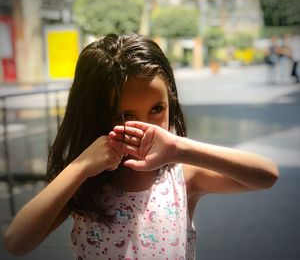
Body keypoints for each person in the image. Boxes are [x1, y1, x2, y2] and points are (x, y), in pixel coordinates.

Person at [4, 34, 279, 259]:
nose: (148, 127)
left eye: (157, 109)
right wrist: (80, 167)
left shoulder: (182, 175)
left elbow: (266, 175)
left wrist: (180, 148)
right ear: (96, 116)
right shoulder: (85, 181)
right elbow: (17, 242)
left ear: (171, 102)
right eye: (126, 116)